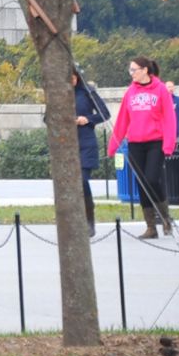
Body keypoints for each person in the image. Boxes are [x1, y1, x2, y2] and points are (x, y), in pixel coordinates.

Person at [109, 55, 178, 238]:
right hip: (135, 143)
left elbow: (170, 119)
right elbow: (123, 120)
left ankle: (164, 217)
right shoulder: (130, 92)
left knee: (152, 179)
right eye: (130, 70)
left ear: (145, 70)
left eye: (134, 70)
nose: (131, 74)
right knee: (142, 184)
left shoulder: (161, 89)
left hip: (155, 141)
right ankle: (150, 226)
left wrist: (169, 144)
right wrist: (112, 146)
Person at [71, 66, 110, 237]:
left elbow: (104, 114)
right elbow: (47, 117)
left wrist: (87, 119)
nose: (70, 81)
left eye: (72, 77)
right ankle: (73, 221)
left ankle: (89, 220)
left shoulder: (88, 92)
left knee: (82, 180)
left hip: (86, 141)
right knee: (71, 185)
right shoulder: (58, 93)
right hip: (67, 145)